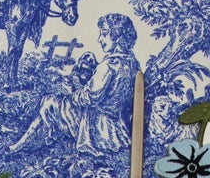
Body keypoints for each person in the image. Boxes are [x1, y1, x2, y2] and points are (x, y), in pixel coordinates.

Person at [9, 13, 138, 154]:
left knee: (49, 101)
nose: (100, 39)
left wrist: (69, 92)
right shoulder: (133, 63)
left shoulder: (107, 66)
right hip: (119, 128)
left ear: (117, 36)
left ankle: (20, 146)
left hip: (97, 129)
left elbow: (89, 98)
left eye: (105, 34)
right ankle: (39, 140)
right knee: (54, 103)